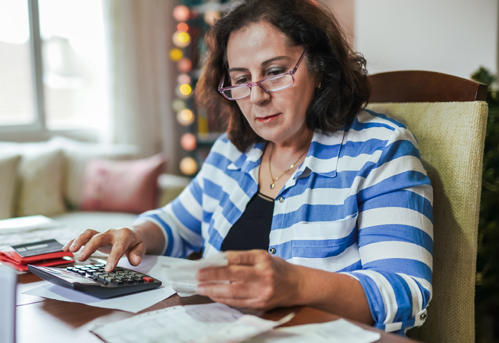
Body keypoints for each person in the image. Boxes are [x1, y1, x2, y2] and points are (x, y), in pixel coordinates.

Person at [63, 0, 432, 334]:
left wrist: (298, 284)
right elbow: (178, 223)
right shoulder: (233, 150)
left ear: (320, 69)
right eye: (241, 79)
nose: (257, 96)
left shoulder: (381, 150)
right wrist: (136, 232)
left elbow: (407, 292)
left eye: (274, 71)